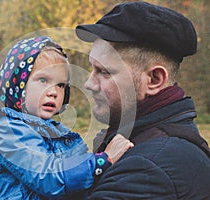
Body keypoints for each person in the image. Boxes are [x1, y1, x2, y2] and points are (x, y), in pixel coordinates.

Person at [75, 1, 210, 199]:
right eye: (91, 68)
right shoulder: (146, 142)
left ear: (154, 80)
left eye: (103, 72)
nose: (89, 83)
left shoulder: (150, 169)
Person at [0, 36, 134, 200]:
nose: (53, 92)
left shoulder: (58, 132)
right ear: (17, 84)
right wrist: (102, 160)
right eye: (43, 80)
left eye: (61, 85)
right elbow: (49, 179)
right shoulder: (9, 131)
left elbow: (80, 178)